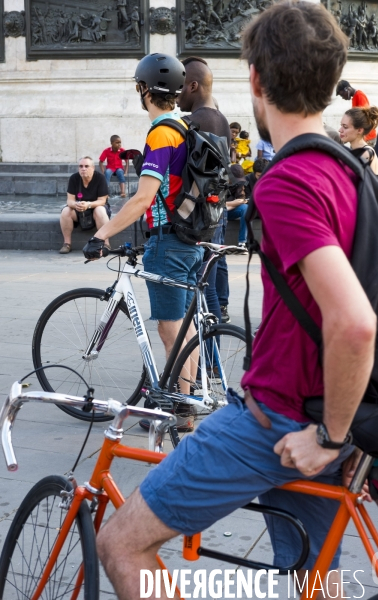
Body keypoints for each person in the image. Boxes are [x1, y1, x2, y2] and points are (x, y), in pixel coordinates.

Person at [96, 4, 377, 599]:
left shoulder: (291, 180)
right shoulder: (349, 170)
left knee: (119, 543)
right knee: (308, 583)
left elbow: (355, 322)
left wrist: (330, 434)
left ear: (255, 79)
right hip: (329, 410)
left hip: (279, 419)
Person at [83, 54, 203, 431]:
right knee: (186, 327)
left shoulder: (161, 133)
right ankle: (187, 400)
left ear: (143, 90)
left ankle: (180, 408)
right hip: (191, 238)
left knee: (170, 329)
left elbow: (142, 198)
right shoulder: (183, 126)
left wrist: (101, 235)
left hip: (169, 242)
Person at [178, 55, 231, 325]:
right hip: (215, 213)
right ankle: (211, 363)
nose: (176, 96)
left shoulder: (193, 121)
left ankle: (210, 362)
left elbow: (194, 175)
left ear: (193, 86)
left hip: (197, 219)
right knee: (206, 287)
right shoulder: (221, 120)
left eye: (180, 86)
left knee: (199, 289)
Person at [59, 157, 110, 254]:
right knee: (66, 211)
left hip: (96, 209)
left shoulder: (100, 178)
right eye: (81, 166)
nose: (83, 169)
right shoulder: (74, 178)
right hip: (79, 210)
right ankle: (67, 244)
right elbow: (70, 201)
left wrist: (89, 204)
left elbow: (102, 201)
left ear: (93, 168)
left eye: (86, 166)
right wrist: (76, 205)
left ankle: (106, 243)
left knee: (100, 209)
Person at [339, 106, 378, 174]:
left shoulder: (365, 153)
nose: (340, 130)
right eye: (341, 125)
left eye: (345, 127)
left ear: (359, 130)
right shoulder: (359, 150)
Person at [336, 79, 377, 146]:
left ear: (347, 89)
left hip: (367, 137)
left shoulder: (360, 96)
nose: (343, 97)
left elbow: (363, 118)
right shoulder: (355, 97)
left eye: (342, 94)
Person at [226, 163, 248, 251]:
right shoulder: (221, 182)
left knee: (245, 208)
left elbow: (241, 201)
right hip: (217, 211)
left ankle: (242, 243)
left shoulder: (240, 183)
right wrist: (233, 203)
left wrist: (228, 205)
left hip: (228, 210)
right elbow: (218, 204)